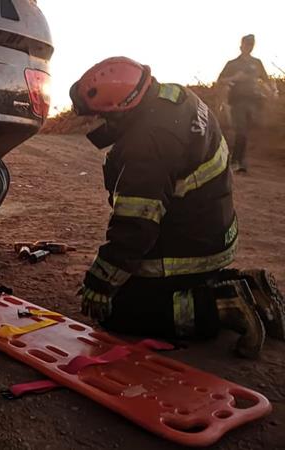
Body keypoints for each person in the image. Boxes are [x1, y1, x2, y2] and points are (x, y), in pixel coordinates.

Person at [69, 57, 284, 358]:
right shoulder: (177, 96)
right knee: (144, 285)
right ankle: (252, 288)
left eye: (99, 116)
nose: (95, 123)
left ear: (120, 113)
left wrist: (100, 283)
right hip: (214, 233)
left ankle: (222, 306)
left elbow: (135, 228)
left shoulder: (146, 146)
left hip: (190, 250)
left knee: (120, 309)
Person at [217, 34, 275, 173]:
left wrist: (272, 89)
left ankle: (239, 160)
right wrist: (235, 78)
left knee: (246, 132)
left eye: (251, 44)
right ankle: (235, 161)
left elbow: (266, 79)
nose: (249, 47)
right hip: (238, 100)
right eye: (247, 44)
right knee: (241, 130)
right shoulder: (233, 64)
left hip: (254, 101)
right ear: (241, 45)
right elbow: (220, 80)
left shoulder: (257, 63)